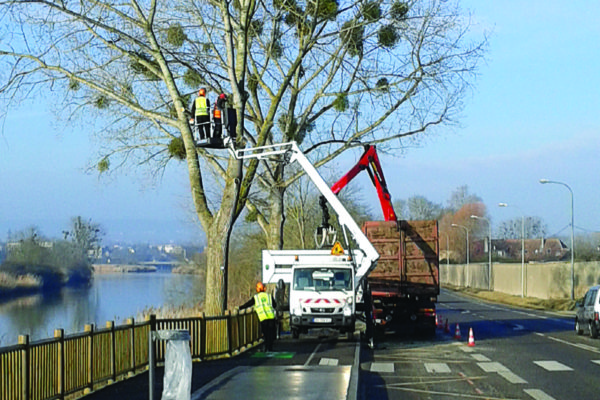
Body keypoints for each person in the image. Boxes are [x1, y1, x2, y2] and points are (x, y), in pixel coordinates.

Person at [241, 282, 277, 352]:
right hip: (271, 317)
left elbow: (248, 304)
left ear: (257, 289)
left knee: (266, 333)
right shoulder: (269, 296)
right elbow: (275, 305)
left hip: (263, 318)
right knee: (271, 333)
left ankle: (267, 348)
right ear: (264, 288)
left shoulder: (256, 298)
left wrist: (240, 308)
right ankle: (270, 348)